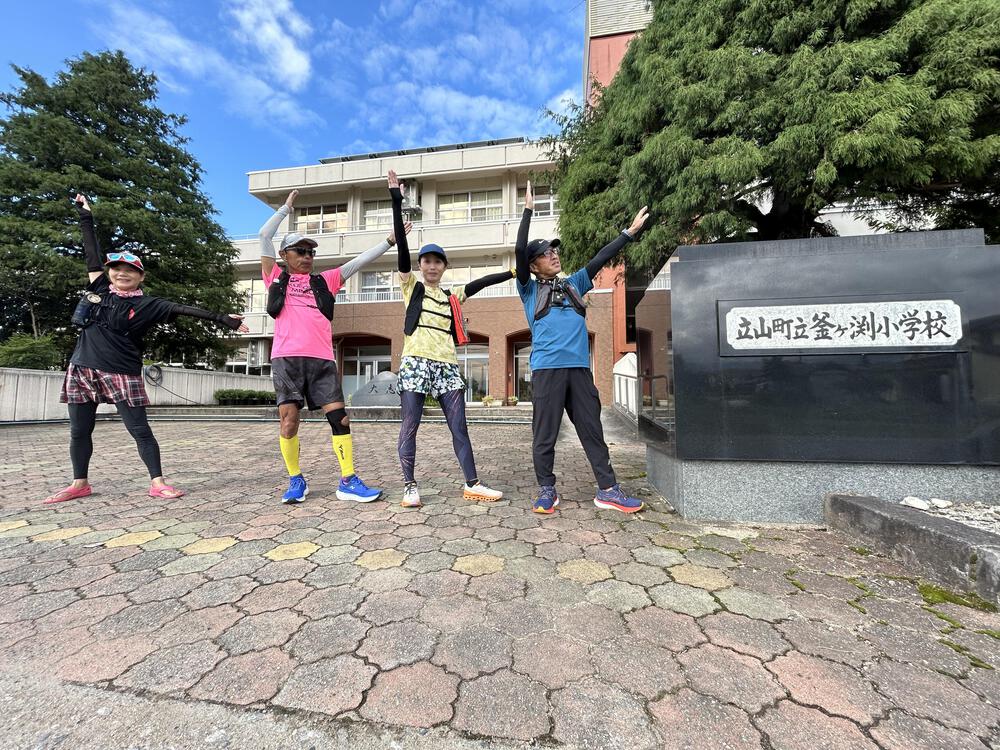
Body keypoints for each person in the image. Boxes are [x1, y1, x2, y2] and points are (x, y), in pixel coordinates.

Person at [44, 194, 248, 504]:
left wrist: (224, 319)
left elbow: (184, 309)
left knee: (139, 429)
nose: (121, 272)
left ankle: (158, 482)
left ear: (140, 276)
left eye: (129, 269)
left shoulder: (149, 304)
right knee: (79, 431)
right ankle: (80, 483)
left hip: (122, 372)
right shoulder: (99, 287)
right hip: (82, 367)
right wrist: (86, 216)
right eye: (116, 268)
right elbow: (91, 252)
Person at [260, 189, 410, 504]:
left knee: (340, 418)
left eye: (310, 252)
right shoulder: (274, 277)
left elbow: (357, 263)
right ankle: (295, 479)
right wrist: (285, 209)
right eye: (299, 251)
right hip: (286, 360)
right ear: (285, 256)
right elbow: (264, 234)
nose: (306, 256)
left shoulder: (325, 280)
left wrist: (390, 242)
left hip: (322, 360)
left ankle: (348, 480)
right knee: (289, 419)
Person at [515, 181, 650, 515]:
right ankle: (546, 489)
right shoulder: (529, 290)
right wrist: (528, 210)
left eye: (554, 250)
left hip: (579, 371)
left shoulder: (574, 284)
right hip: (547, 371)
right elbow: (519, 252)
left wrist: (629, 232)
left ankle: (608, 490)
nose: (554, 254)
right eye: (546, 253)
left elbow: (601, 257)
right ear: (534, 265)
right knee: (544, 435)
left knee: (592, 430)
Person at [388, 170, 510, 508]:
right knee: (409, 425)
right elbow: (402, 248)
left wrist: (514, 271)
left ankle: (473, 483)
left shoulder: (452, 296)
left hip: (447, 366)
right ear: (420, 265)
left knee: (460, 427)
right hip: (415, 363)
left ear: (443, 267)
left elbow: (482, 282)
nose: (431, 266)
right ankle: (410, 485)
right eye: (426, 261)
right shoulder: (410, 286)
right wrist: (397, 200)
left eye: (437, 262)